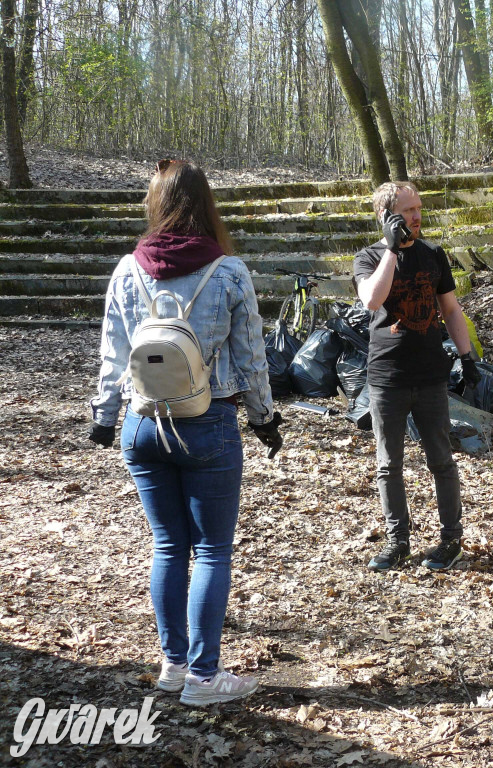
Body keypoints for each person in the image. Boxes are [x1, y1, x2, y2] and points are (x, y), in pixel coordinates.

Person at [88, 159, 283, 706]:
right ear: (206, 205)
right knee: (213, 551)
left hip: (143, 422)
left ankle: (174, 665)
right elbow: (251, 360)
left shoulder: (128, 270)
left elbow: (112, 353)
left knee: (168, 545)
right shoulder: (228, 271)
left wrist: (104, 417)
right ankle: (203, 677)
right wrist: (264, 417)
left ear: (156, 203)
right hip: (208, 423)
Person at [353, 181, 481, 572]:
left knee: (441, 460)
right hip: (386, 378)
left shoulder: (433, 255)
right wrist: (392, 249)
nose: (417, 216)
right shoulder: (368, 257)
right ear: (386, 216)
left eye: (419, 208)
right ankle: (398, 542)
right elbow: (371, 300)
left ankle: (451, 540)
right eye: (408, 210)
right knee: (388, 465)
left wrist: (468, 356)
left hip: (429, 376)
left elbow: (452, 310)